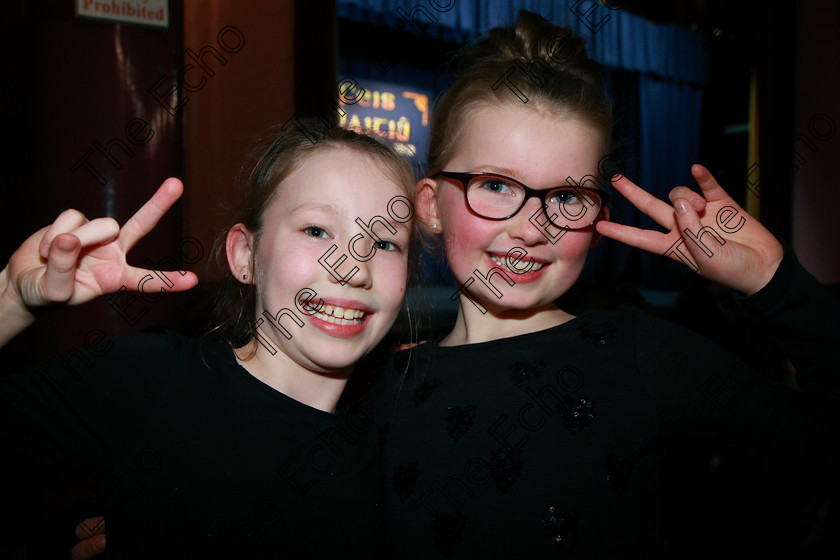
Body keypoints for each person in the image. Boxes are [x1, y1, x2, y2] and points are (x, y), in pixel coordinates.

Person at [363, 10, 840, 558]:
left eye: (566, 198)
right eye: (496, 185)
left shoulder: (642, 357)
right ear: (431, 205)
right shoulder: (380, 388)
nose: (532, 227)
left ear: (595, 225)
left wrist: (775, 284)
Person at [0, 122, 416, 557]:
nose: (353, 267)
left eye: (386, 243)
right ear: (245, 256)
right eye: (317, 230)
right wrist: (10, 301)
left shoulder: (402, 433)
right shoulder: (152, 379)